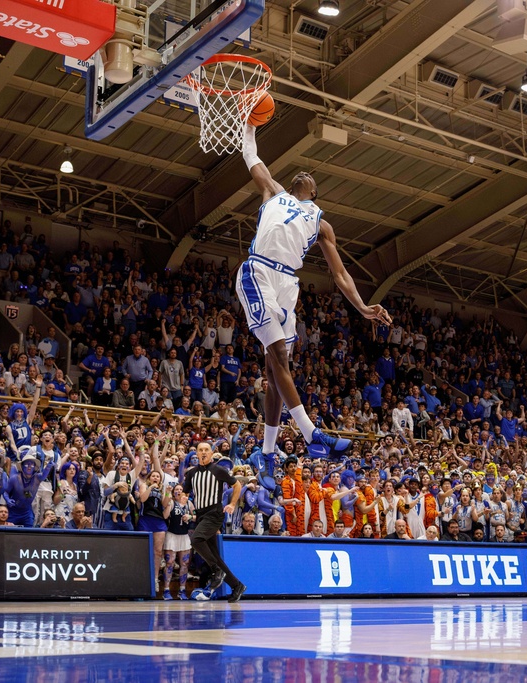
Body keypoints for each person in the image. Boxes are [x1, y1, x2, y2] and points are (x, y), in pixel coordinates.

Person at [237, 124, 392, 467]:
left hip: (287, 285)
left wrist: (362, 307)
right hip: (260, 271)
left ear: (314, 192)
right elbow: (250, 153)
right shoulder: (273, 191)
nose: (305, 173)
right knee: (279, 357)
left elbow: (340, 274)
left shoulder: (322, 224)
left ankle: (267, 453)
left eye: (310, 177)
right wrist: (249, 123)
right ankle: (311, 434)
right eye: (301, 174)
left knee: (276, 373)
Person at [182, 442, 246, 602]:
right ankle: (237, 585)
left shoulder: (218, 470)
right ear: (196, 453)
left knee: (196, 540)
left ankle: (217, 570)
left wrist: (232, 504)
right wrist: (183, 498)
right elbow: (185, 492)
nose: (203, 452)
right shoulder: (192, 473)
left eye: (206, 450)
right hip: (201, 515)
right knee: (214, 555)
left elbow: (237, 485)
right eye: (200, 450)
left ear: (211, 453)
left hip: (214, 514)